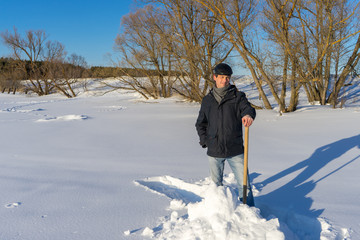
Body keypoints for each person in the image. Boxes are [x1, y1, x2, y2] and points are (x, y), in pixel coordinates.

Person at [195, 63, 256, 204]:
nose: (224, 80)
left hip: (235, 148)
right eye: (221, 77)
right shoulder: (207, 100)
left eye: (227, 78)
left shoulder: (238, 97)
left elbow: (248, 108)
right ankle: (219, 212)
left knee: (244, 185)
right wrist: (206, 141)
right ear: (215, 77)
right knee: (216, 187)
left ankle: (250, 214)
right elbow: (200, 123)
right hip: (214, 150)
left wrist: (248, 115)